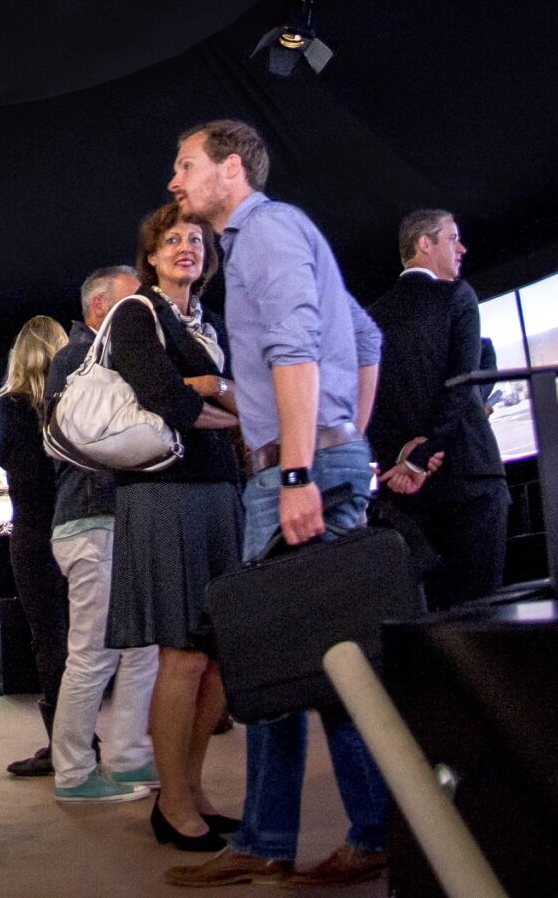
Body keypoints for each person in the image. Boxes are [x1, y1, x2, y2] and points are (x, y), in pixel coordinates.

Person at [162, 119, 394, 891]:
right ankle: (300, 835)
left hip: (291, 473)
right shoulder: (283, 236)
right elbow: (364, 337)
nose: (174, 182)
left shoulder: (262, 233)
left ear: (231, 169)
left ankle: (348, 835)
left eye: (186, 165)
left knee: (299, 653)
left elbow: (296, 347)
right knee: (307, 654)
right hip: (315, 460)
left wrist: (303, 469)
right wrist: (343, 439)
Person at [102, 209, 251, 846]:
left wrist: (210, 389)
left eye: (196, 240)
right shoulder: (138, 312)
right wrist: (221, 402)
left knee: (218, 658)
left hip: (220, 493)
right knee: (183, 655)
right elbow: (166, 400)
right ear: (152, 256)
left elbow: (247, 398)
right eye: (172, 241)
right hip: (163, 495)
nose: (187, 248)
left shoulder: (208, 323)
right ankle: (173, 807)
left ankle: (184, 791)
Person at [41, 265, 164, 805]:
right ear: (100, 307)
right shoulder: (79, 357)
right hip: (92, 520)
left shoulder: (95, 356)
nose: (145, 313)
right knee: (94, 651)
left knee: (141, 647)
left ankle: (128, 756)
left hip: (114, 520)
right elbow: (66, 442)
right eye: (132, 303)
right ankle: (72, 770)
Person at [367, 210, 511, 609]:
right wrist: (424, 454)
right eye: (452, 238)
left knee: (436, 616)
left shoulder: (368, 318)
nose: (462, 248)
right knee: (485, 614)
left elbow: (367, 401)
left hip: (405, 494)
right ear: (424, 245)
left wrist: (401, 461)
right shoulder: (456, 296)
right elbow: (460, 387)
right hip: (470, 478)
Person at [0, 314, 73, 777]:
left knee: (49, 639)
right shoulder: (75, 400)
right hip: (78, 525)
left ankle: (62, 742)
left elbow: (11, 462)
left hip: (33, 532)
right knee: (86, 639)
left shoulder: (9, 408)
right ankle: (86, 738)